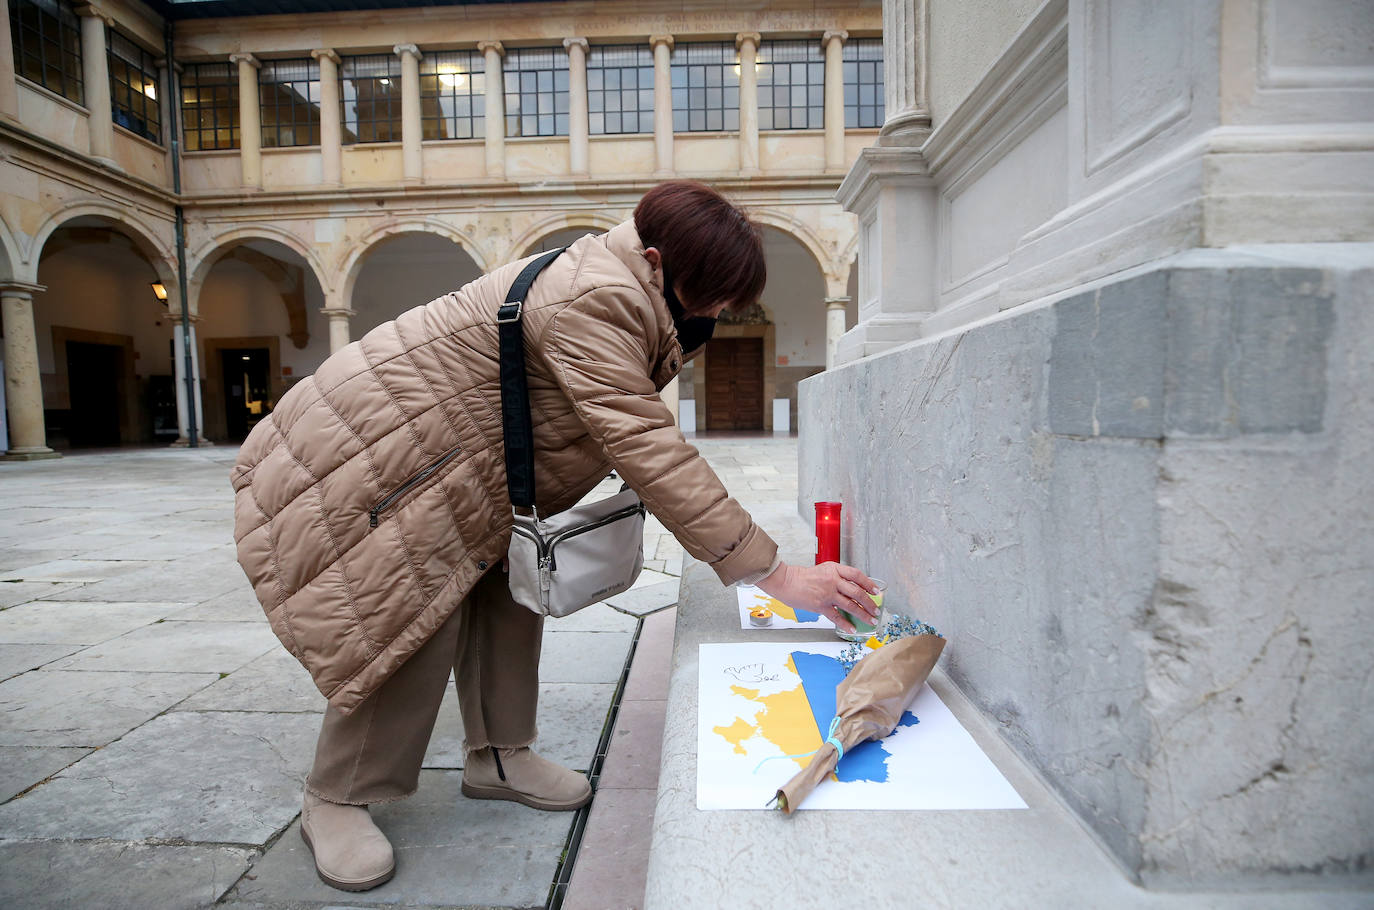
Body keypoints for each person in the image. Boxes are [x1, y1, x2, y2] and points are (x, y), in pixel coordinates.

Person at [230, 180, 879, 892]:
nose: (723, 311)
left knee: (509, 595)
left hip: (465, 470)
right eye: (717, 294)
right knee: (409, 623)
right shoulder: (595, 296)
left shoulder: (630, 282)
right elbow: (647, 446)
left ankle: (499, 756)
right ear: (661, 261)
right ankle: (337, 796)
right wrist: (778, 576)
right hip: (384, 464)